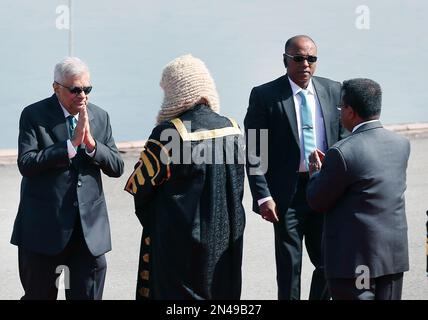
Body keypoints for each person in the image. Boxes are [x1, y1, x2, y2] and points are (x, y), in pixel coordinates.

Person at [124, 54, 246, 300]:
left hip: (181, 242)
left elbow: (139, 185)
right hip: (226, 237)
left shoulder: (170, 134)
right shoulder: (233, 128)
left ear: (175, 91)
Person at [11, 57, 124, 300]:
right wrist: (70, 145)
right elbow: (27, 164)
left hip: (88, 235)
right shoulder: (34, 115)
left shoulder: (100, 117)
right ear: (56, 88)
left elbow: (117, 167)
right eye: (75, 89)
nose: (82, 95)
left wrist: (93, 145)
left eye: (87, 89)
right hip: (43, 232)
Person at [244, 35, 346, 300]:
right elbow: (255, 151)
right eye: (298, 58)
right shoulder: (265, 95)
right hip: (285, 196)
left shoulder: (334, 90)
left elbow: (346, 139)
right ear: (285, 60)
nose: (305, 64)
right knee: (290, 268)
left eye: (311, 59)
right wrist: (263, 195)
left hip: (323, 189)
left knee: (328, 262)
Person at [306, 78, 410, 300]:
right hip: (392, 257)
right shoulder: (401, 144)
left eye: (341, 107)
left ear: (350, 111)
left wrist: (316, 173)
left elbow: (317, 200)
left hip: (356, 262)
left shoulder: (342, 152)